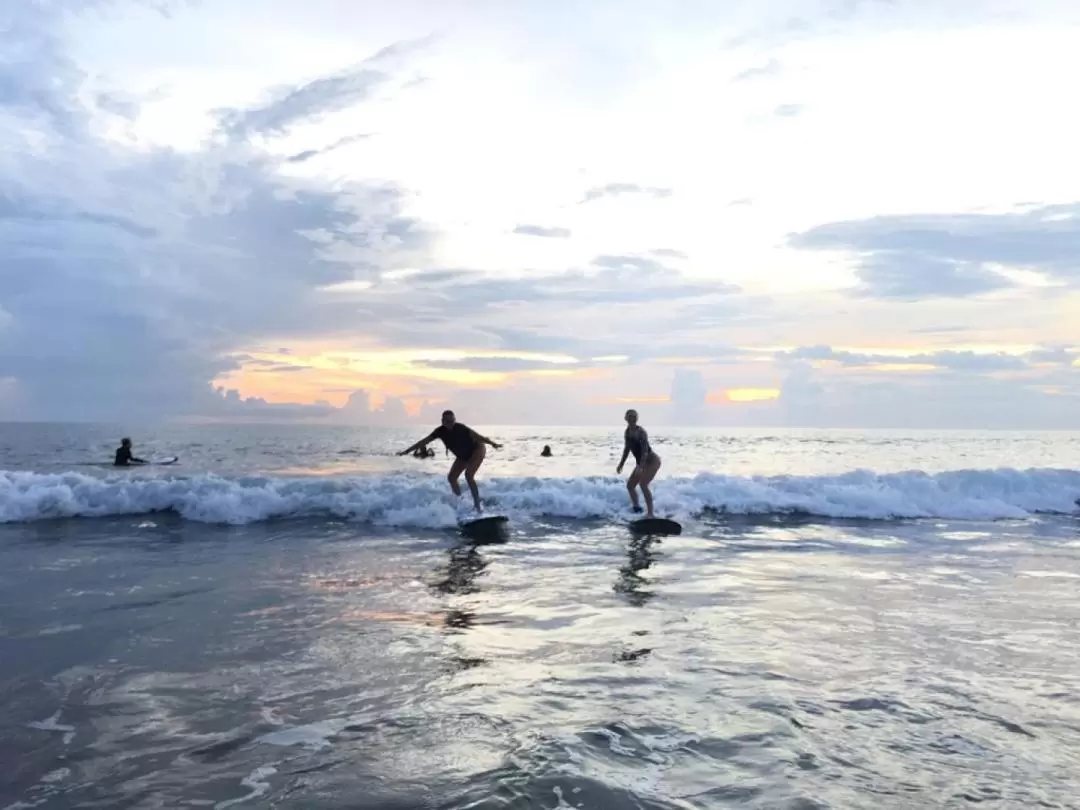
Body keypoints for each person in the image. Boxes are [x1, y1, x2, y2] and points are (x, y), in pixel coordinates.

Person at [398, 410, 502, 513]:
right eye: (447, 421)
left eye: (452, 421)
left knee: (469, 475)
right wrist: (406, 451)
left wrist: (493, 444)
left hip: (477, 449)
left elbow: (478, 436)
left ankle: (477, 506)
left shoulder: (461, 428)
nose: (450, 424)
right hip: (463, 456)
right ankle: (460, 500)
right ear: (442, 421)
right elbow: (423, 441)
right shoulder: (439, 431)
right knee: (451, 478)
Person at [616, 409, 661, 518]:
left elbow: (645, 450)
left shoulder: (641, 432)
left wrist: (641, 466)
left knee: (643, 484)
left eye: (634, 416)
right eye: (630, 416)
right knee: (630, 486)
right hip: (641, 463)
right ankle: (637, 508)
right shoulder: (627, 432)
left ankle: (650, 514)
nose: (632, 418)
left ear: (637, 418)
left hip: (651, 461)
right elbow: (627, 449)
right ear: (626, 418)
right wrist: (621, 464)